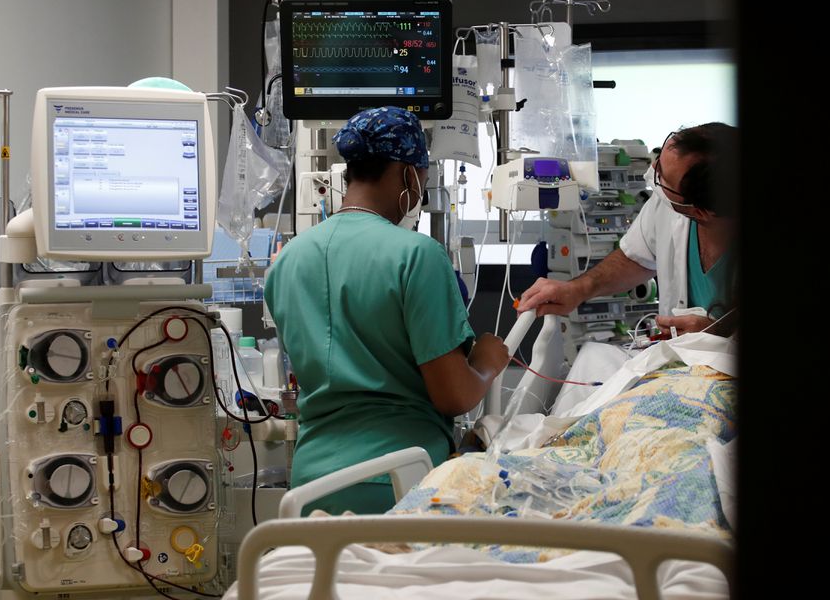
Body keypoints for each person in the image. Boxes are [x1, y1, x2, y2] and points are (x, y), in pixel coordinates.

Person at [264, 106, 510, 515]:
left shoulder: (287, 261)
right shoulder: (416, 255)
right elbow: (453, 396)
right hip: (399, 481)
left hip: (310, 487)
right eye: (424, 178)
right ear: (408, 174)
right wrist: (486, 362)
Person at [518, 123, 739, 335]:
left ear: (699, 211)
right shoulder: (669, 205)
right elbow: (635, 258)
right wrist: (578, 289)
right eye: (659, 157)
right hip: (681, 364)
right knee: (593, 358)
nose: (652, 169)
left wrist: (717, 334)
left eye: (662, 176)